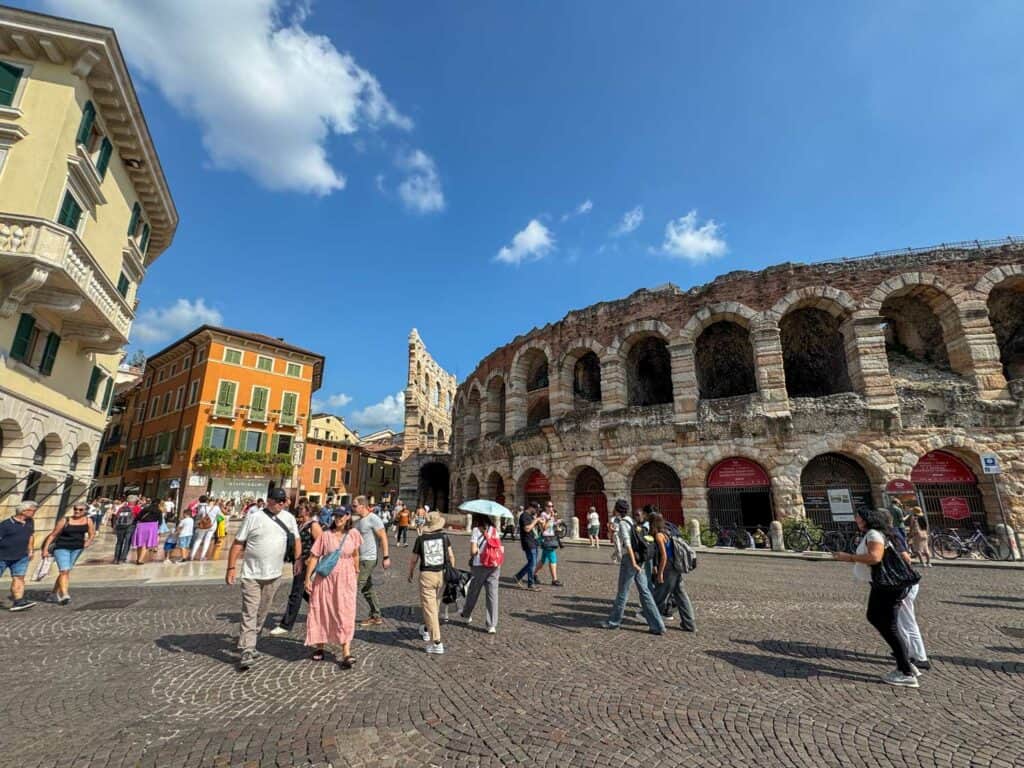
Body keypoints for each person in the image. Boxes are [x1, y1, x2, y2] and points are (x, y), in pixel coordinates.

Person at [832, 508, 919, 687]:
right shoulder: (876, 533)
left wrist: (847, 557)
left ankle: (906, 672)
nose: (855, 519)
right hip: (883, 585)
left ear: (866, 519)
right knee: (876, 618)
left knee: (888, 626)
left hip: (887, 586)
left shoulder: (873, 534)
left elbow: (875, 557)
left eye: (858, 516)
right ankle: (906, 662)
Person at [225, 487, 301, 671]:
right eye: (277, 501)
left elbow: (297, 540)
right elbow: (238, 543)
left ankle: (252, 636)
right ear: (269, 501)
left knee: (263, 611)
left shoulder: (288, 518)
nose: (281, 504)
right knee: (250, 611)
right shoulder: (254, 518)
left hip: (274, 574)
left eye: (283, 502)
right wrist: (231, 567)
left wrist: (298, 560)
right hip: (252, 574)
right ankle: (247, 648)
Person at [304, 508, 361, 667]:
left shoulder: (354, 534)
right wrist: (308, 578)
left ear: (348, 517)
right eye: (335, 516)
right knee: (323, 610)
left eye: (341, 516)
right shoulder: (326, 535)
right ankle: (319, 647)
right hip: (325, 580)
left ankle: (346, 652)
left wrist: (356, 572)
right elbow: (315, 556)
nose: (337, 519)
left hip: (346, 579)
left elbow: (356, 554)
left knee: (345, 612)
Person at [603, 499, 664, 635]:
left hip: (630, 560)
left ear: (616, 510)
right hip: (639, 559)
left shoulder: (624, 523)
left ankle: (613, 622)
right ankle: (658, 625)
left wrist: (633, 562)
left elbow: (628, 543)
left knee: (622, 593)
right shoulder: (631, 520)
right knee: (645, 592)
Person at [270, 503, 323, 636]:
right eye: (299, 508)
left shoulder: (314, 525)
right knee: (303, 590)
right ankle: (321, 609)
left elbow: (322, 544)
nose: (299, 509)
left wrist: (312, 558)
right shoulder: (300, 524)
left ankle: (286, 624)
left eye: (302, 508)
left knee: (296, 592)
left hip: (307, 561)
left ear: (308, 511)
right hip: (298, 560)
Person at [407, 511, 455, 654]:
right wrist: (451, 571)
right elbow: (451, 556)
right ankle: (427, 629)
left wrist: (410, 572)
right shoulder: (445, 537)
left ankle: (437, 642)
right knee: (435, 605)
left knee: (430, 609)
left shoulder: (421, 539)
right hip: (442, 575)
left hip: (427, 576)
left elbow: (413, 560)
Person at [41, 503, 96, 605]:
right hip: (61, 547)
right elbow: (53, 535)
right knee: (64, 570)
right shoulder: (65, 520)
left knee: (65, 571)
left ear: (85, 511)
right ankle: (65, 594)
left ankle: (53, 593)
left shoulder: (88, 521)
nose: (77, 511)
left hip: (77, 549)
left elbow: (92, 534)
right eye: (75, 509)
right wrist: (45, 549)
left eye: (80, 510)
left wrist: (88, 542)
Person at [650, 512, 696, 632]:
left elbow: (664, 556)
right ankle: (690, 624)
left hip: (669, 566)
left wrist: (660, 573)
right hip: (676, 564)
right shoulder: (668, 531)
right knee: (681, 595)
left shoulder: (659, 535)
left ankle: (655, 624)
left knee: (660, 595)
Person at [351, 495, 391, 627]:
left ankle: (342, 616)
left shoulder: (373, 519)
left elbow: (383, 537)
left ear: (363, 506)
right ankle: (376, 615)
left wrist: (386, 557)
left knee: (355, 585)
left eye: (355, 505)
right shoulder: (358, 520)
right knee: (367, 589)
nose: (353, 508)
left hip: (369, 559)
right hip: (358, 558)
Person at [460, 514, 500, 633]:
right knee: (492, 594)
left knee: (474, 591)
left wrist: (476, 550)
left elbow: (473, 551)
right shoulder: (494, 530)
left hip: (479, 565)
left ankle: (466, 614)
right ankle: (491, 624)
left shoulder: (476, 530)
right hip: (494, 565)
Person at [0, 501, 38, 611]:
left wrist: (31, 550)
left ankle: (18, 601)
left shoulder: (30, 521)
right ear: (24, 511)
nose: (34, 513)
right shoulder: (5, 525)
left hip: (21, 556)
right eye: (33, 511)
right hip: (2, 556)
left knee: (19, 578)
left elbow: (31, 535)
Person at [513, 503, 541, 590]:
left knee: (532, 563)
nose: (536, 511)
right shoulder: (524, 516)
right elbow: (527, 528)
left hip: (534, 541)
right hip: (528, 542)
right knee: (532, 563)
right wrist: (536, 521)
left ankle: (518, 576)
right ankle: (531, 584)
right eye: (536, 509)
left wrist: (538, 522)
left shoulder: (531, 516)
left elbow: (534, 528)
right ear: (531, 507)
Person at [534, 502, 563, 586]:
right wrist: (550, 518)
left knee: (543, 560)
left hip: (551, 538)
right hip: (546, 539)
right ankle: (554, 580)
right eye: (549, 506)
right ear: (545, 507)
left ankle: (533, 574)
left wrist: (557, 523)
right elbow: (544, 528)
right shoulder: (543, 515)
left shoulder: (551, 515)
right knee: (553, 559)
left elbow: (551, 526)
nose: (551, 508)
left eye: (552, 506)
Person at [132, 499, 163, 565]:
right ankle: (140, 560)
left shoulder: (145, 509)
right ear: (158, 504)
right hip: (151, 527)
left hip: (141, 526)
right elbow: (160, 522)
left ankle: (138, 558)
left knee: (140, 543)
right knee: (146, 544)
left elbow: (138, 517)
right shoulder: (159, 511)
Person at [188, 496, 217, 562]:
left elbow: (197, 514)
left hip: (202, 525)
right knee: (207, 541)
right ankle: (202, 557)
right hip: (212, 526)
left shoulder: (201, 508)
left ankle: (192, 556)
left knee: (198, 539)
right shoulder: (215, 508)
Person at [112, 496, 136, 564]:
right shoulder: (136, 508)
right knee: (127, 543)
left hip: (120, 526)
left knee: (119, 542)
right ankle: (122, 559)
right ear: (134, 501)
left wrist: (114, 526)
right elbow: (138, 517)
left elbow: (116, 516)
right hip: (130, 527)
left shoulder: (121, 508)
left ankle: (116, 558)